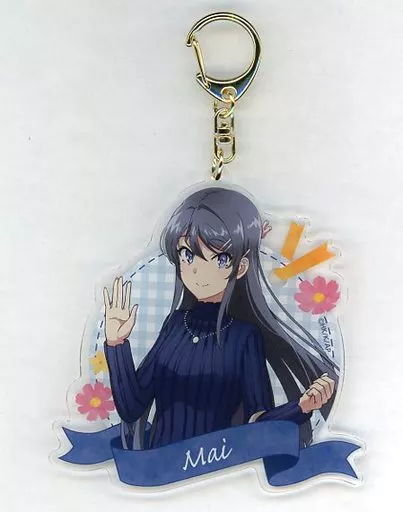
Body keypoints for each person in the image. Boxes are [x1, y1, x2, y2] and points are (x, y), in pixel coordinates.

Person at [103, 187, 336, 450]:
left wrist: (301, 407)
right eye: (187, 254)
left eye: (220, 259)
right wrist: (116, 344)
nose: (198, 270)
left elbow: (256, 422)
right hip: (160, 466)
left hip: (215, 469)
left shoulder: (244, 337)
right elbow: (132, 407)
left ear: (241, 266)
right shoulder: (175, 325)